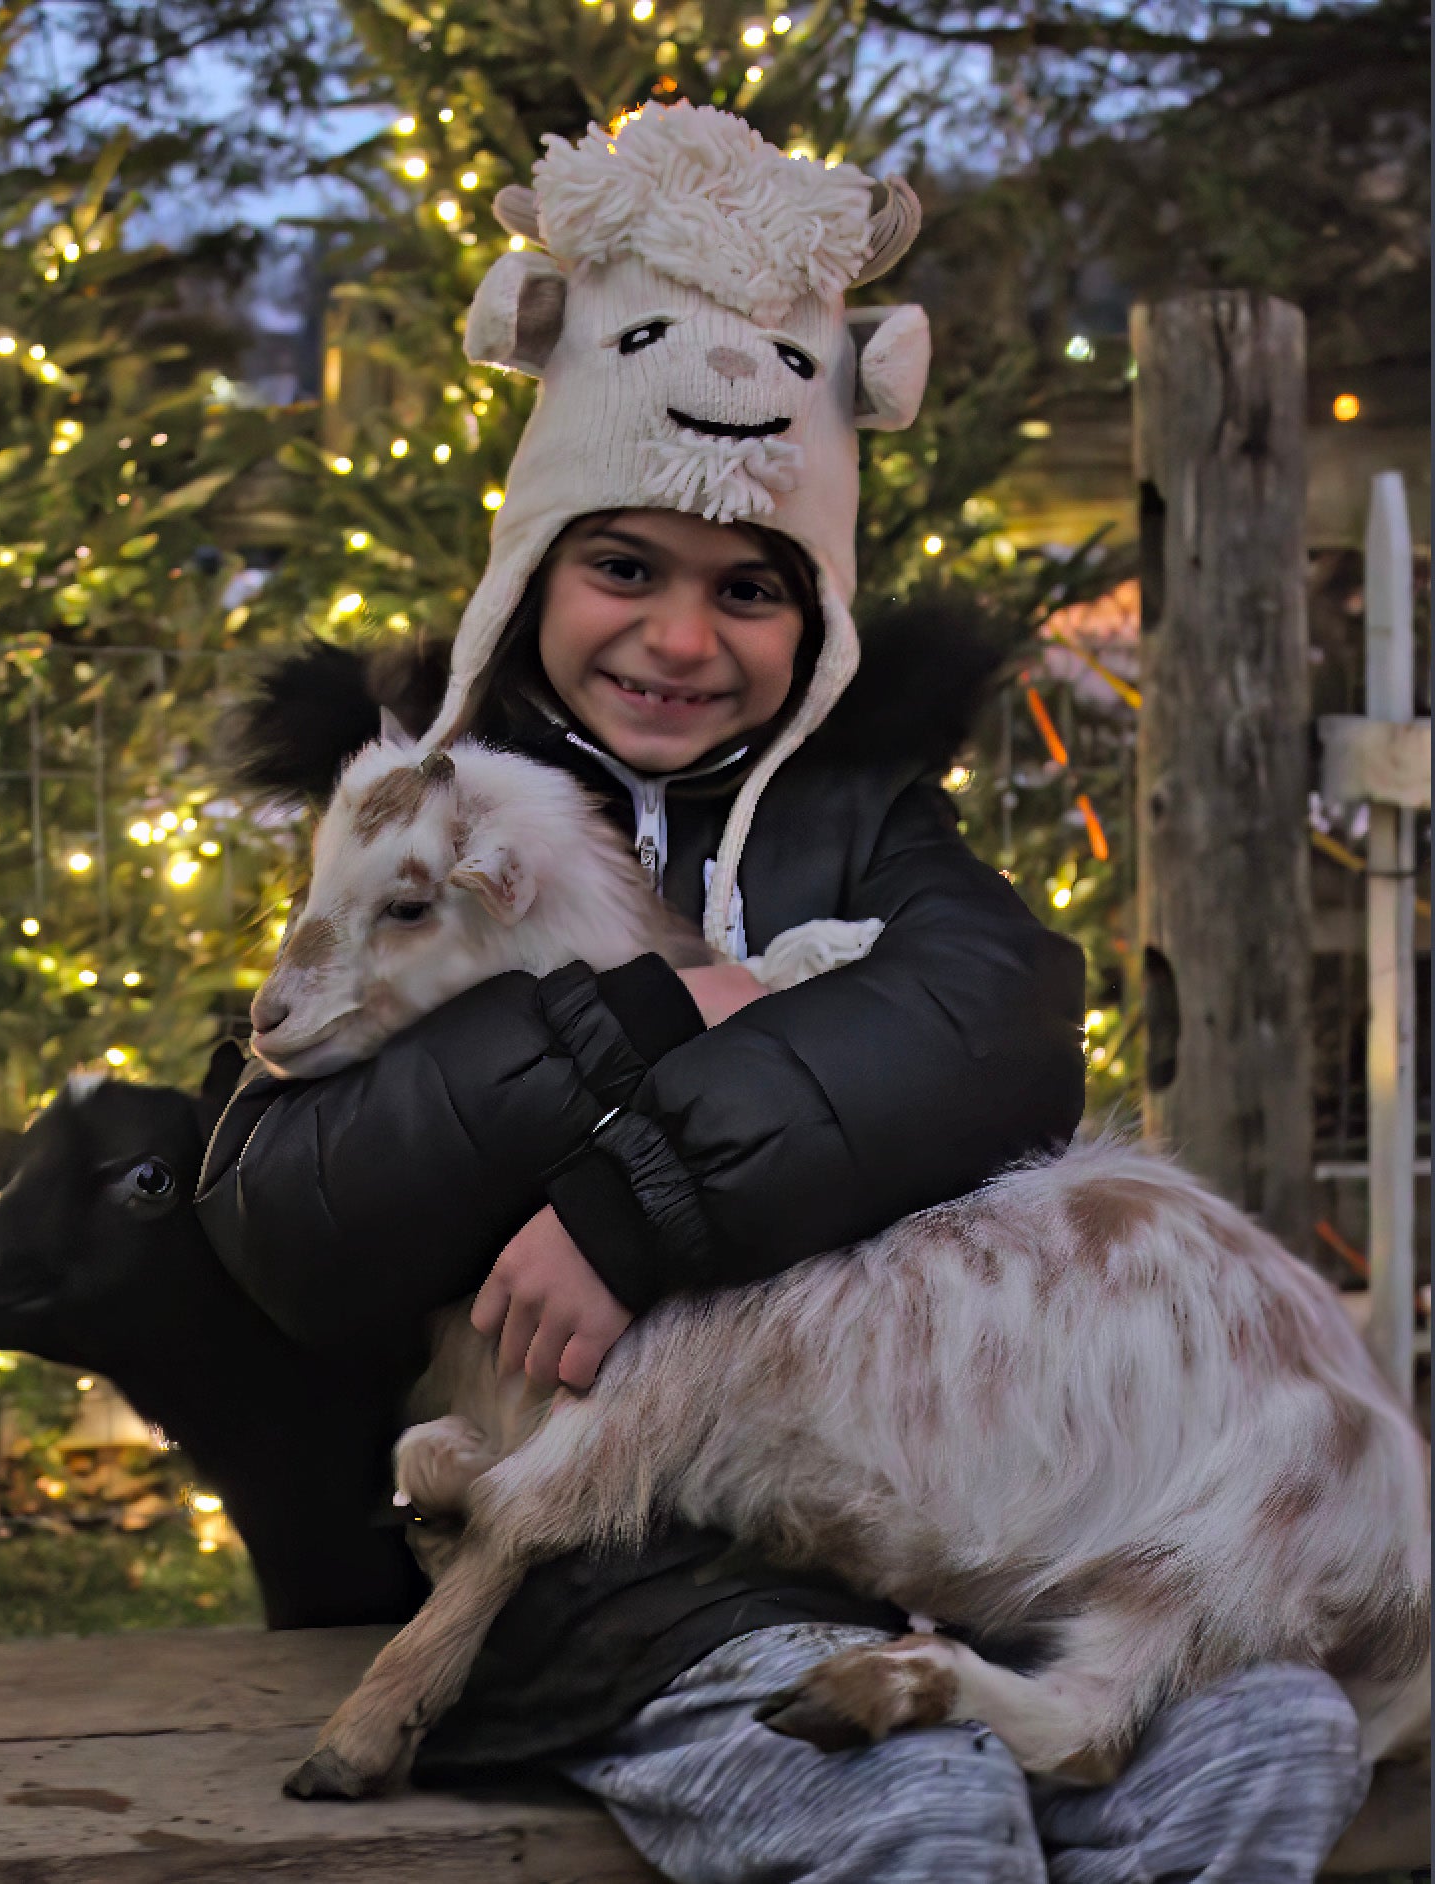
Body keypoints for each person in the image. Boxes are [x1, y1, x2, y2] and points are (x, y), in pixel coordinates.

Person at [198, 102, 1367, 1883]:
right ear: (532, 575)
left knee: (1273, 1736)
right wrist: (646, 1026)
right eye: (623, 568)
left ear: (812, 615)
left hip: (910, 1506)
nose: (681, 638)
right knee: (909, 1806)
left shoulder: (860, 818)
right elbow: (286, 1207)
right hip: (598, 1568)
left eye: (749, 588)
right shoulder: (412, 816)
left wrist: (640, 1196)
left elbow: (994, 1026)